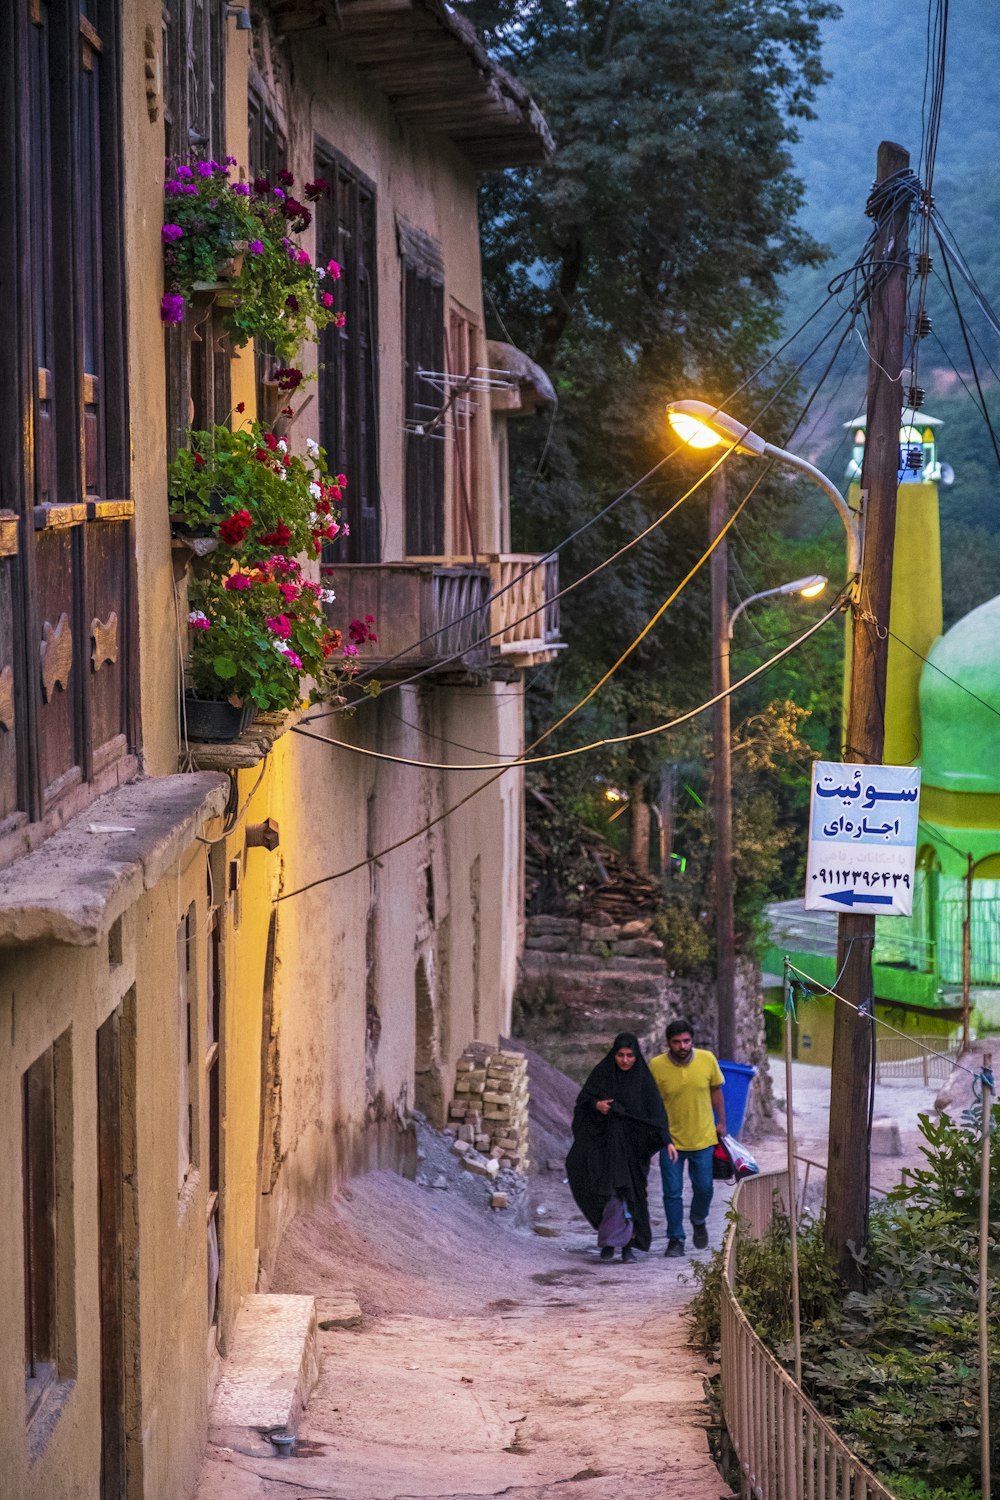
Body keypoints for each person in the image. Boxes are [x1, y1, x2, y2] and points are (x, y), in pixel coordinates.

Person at [566, 1031, 677, 1263]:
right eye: (620, 1055)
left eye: (630, 1055)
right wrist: (597, 1105)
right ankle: (609, 1242)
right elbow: (582, 1103)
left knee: (630, 1196)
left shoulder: (643, 1080)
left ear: (637, 1056)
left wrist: (667, 1141)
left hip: (632, 1152)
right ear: (613, 1055)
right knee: (609, 1195)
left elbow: (656, 1115)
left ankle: (626, 1246)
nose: (625, 1060)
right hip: (603, 1148)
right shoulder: (603, 1074)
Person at [649, 1018, 726, 1258]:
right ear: (668, 1043)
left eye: (686, 1041)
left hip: (703, 1137)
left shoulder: (707, 1060)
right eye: (677, 1042)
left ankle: (698, 1218)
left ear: (692, 1040)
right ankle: (675, 1239)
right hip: (670, 1141)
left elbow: (716, 1091)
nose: (682, 1046)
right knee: (672, 1192)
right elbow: (652, 1102)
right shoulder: (657, 1066)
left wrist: (722, 1122)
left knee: (704, 1188)